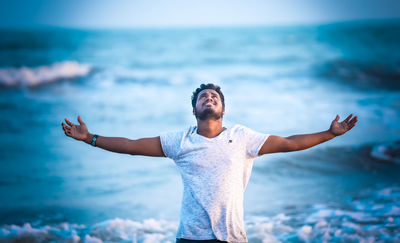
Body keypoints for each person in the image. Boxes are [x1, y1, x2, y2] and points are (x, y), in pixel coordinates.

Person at [61, 83, 358, 243]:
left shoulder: (243, 137)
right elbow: (133, 146)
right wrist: (91, 138)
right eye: (203, 96)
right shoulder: (181, 141)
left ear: (223, 109)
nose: (209, 98)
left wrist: (330, 134)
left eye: (214, 96)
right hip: (191, 237)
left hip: (232, 236)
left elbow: (290, 143)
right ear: (194, 110)